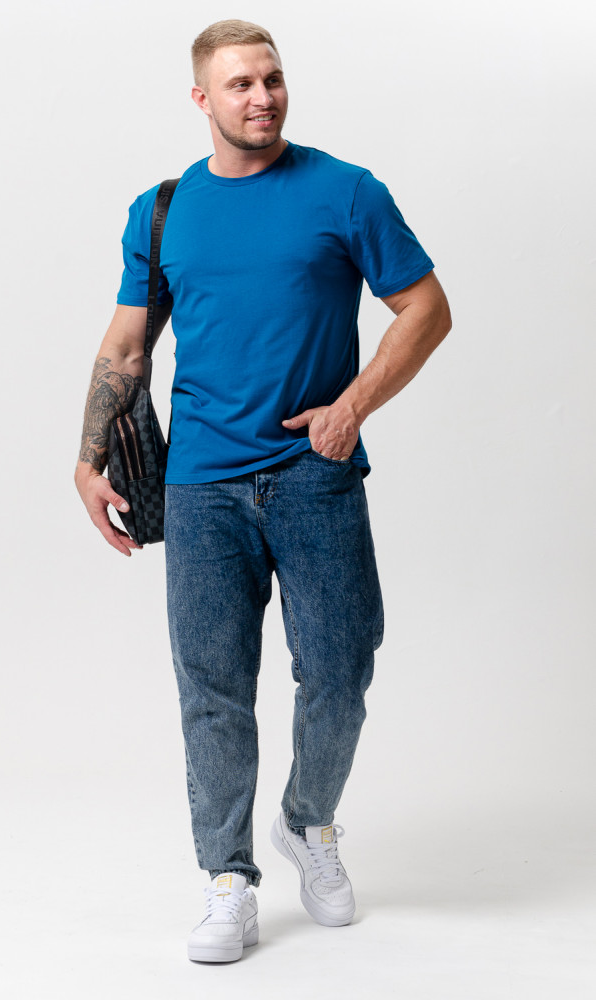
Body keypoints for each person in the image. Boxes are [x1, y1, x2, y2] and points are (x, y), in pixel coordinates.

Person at [75, 18, 451, 964]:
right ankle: (228, 880)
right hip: (199, 485)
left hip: (314, 474)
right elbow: (127, 345)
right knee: (211, 689)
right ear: (201, 99)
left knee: (341, 669)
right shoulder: (161, 210)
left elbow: (425, 308)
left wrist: (351, 406)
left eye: (272, 79)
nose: (261, 97)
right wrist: (88, 457)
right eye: (239, 84)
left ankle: (306, 820)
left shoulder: (344, 191)